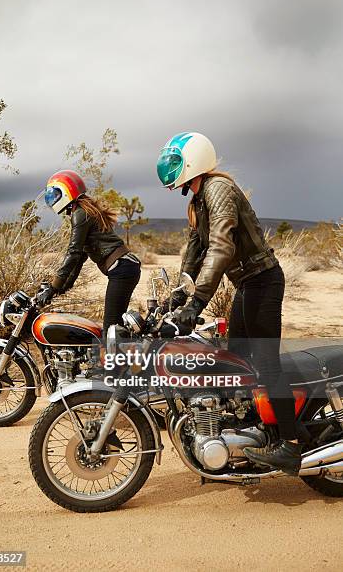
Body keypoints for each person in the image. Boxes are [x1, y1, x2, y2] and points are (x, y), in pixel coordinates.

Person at [156, 132, 302, 476]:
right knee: (235, 356)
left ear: (194, 160)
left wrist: (197, 304)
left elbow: (220, 248)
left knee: (265, 363)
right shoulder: (197, 200)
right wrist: (179, 294)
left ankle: (291, 445)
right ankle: (249, 429)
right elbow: (195, 251)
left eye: (175, 160)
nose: (169, 167)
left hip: (263, 281)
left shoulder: (217, 189)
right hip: (246, 285)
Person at [38, 169, 141, 334]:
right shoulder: (84, 211)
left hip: (122, 270)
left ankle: (122, 357)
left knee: (111, 331)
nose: (53, 199)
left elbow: (73, 253)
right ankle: (127, 355)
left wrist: (54, 286)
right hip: (125, 267)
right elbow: (79, 258)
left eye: (56, 194)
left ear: (67, 192)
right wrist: (60, 288)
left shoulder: (80, 213)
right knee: (118, 329)